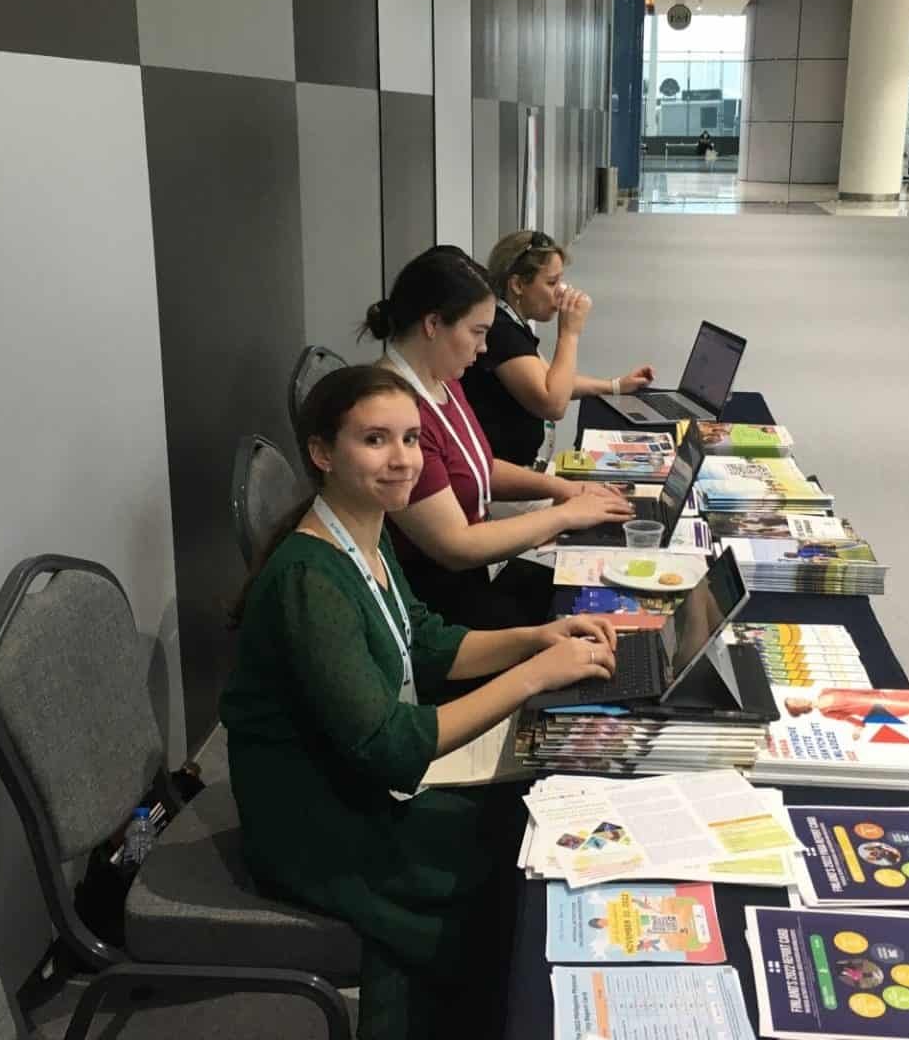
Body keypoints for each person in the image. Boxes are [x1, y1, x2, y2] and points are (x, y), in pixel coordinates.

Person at [221, 364, 619, 1040]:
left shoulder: (363, 529)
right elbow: (390, 745)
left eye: (410, 438)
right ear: (322, 453)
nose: (403, 458)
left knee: (523, 825)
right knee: (508, 872)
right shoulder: (310, 580)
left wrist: (536, 639)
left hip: (356, 777)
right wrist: (534, 675)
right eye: (374, 440)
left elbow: (426, 643)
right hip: (315, 820)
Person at [363, 245, 632, 628]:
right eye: (477, 332)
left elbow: (479, 467)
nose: (484, 347)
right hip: (440, 604)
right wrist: (563, 515)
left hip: (475, 575)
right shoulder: (398, 415)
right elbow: (456, 546)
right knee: (592, 618)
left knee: (603, 583)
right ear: (433, 324)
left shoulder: (443, 379)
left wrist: (563, 489)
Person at [461, 230, 655, 467]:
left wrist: (615, 386)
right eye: (552, 283)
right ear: (518, 285)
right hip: (503, 475)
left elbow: (552, 379)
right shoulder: (501, 333)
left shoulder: (511, 322)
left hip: (519, 466)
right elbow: (553, 404)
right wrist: (569, 334)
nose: (561, 291)